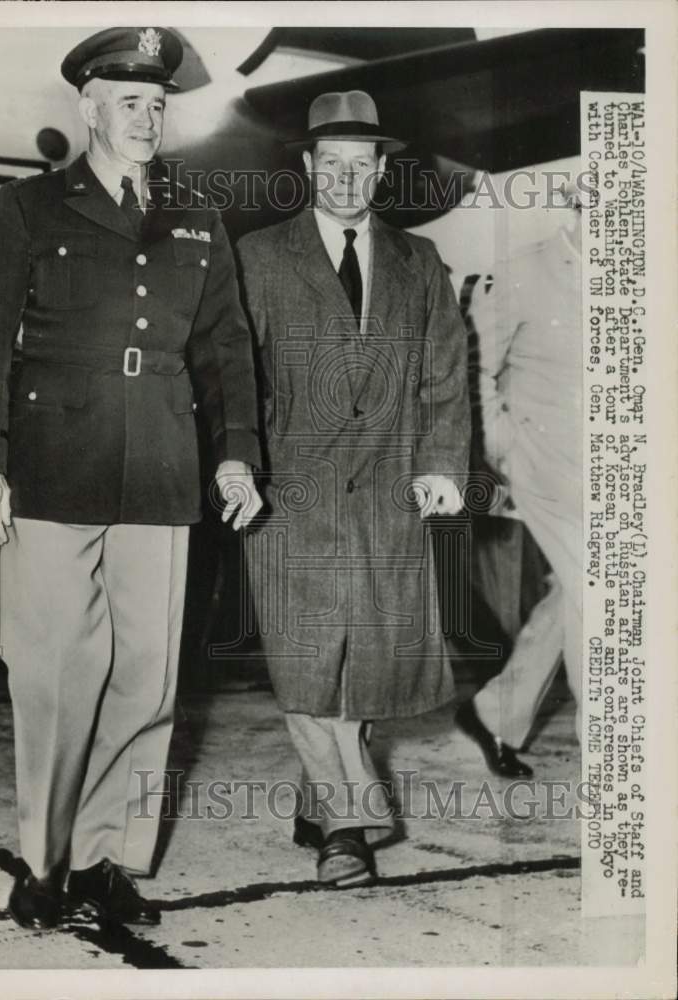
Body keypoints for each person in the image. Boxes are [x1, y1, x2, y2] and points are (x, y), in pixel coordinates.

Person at [0, 27, 261, 930]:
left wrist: (235, 451)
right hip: (54, 465)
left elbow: (224, 349)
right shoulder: (30, 208)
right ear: (88, 107)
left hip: (163, 468)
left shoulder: (198, 217)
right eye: (129, 102)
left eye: (159, 104)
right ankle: (44, 865)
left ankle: (103, 861)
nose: (147, 117)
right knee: (55, 673)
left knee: (146, 680)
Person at [236, 91, 470, 888]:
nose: (343, 179)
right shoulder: (257, 257)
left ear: (379, 173)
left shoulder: (420, 263)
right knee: (304, 661)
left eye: (358, 166)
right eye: (328, 164)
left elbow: (444, 375)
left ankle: (318, 800)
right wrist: (236, 464)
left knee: (363, 663)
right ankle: (349, 824)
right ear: (305, 168)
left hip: (387, 489)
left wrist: (441, 465)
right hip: (286, 490)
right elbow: (234, 378)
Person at [456, 187, 583, 776]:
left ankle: (494, 713)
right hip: (540, 465)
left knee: (578, 591)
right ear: (580, 204)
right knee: (606, 592)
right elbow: (474, 370)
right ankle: (613, 750)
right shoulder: (523, 272)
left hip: (606, 468)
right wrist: (499, 448)